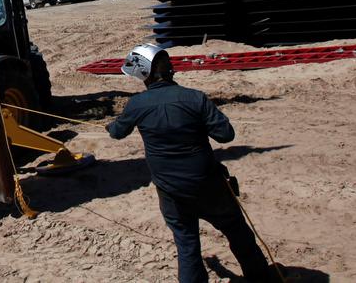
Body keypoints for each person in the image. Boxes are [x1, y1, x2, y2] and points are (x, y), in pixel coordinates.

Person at [107, 44, 277, 283]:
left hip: (171, 192)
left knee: (187, 245)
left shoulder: (137, 105)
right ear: (170, 70)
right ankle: (261, 279)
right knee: (238, 233)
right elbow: (226, 135)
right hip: (210, 185)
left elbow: (116, 132)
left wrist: (112, 126)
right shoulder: (194, 97)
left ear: (142, 73)